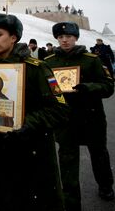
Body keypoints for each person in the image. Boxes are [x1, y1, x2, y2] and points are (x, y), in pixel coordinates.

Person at [0, 13, 68, 210]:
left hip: (30, 153)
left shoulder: (37, 68)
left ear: (13, 37)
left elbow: (60, 110)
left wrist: (26, 122)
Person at [45, 22, 114, 208]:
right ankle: (71, 199)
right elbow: (48, 88)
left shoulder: (91, 60)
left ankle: (106, 185)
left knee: (99, 154)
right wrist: (54, 92)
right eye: (60, 37)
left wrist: (88, 88)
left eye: (68, 37)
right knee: (67, 159)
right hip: (65, 119)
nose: (64, 40)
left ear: (76, 38)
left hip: (91, 117)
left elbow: (108, 87)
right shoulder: (50, 62)